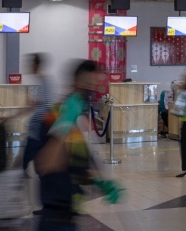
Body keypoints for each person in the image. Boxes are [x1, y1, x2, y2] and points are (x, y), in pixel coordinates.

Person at [34, 60, 120, 230]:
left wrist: (99, 182)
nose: (89, 93)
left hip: (71, 215)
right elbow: (44, 165)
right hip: (53, 218)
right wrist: (64, 123)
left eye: (92, 87)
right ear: (75, 83)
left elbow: (78, 167)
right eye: (86, 86)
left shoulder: (82, 122)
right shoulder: (53, 115)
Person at [23, 53, 56, 173]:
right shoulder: (43, 80)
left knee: (32, 148)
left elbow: (45, 103)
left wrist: (32, 103)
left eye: (31, 64)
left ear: (36, 65)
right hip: (41, 121)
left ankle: (25, 171)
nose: (29, 67)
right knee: (37, 150)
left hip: (41, 122)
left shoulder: (43, 81)